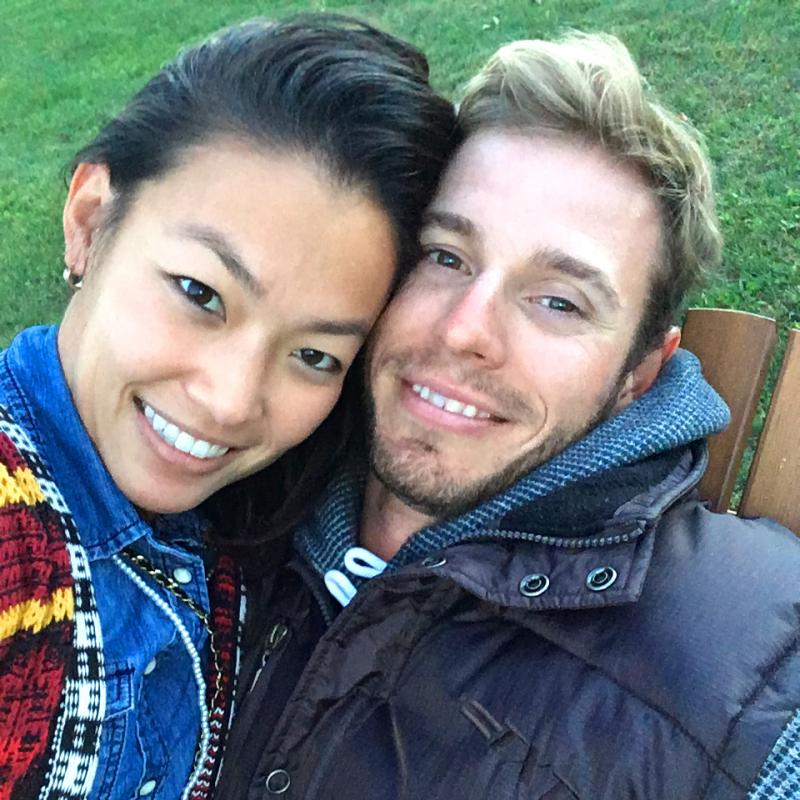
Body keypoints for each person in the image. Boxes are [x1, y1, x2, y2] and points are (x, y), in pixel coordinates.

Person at [217, 31, 800, 800]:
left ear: (640, 372)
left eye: (558, 301)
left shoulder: (754, 682)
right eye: (445, 256)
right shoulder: (227, 458)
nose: (464, 331)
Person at [0, 15, 458, 800]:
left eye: (314, 355)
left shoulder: (254, 528)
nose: (231, 401)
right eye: (199, 293)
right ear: (90, 221)